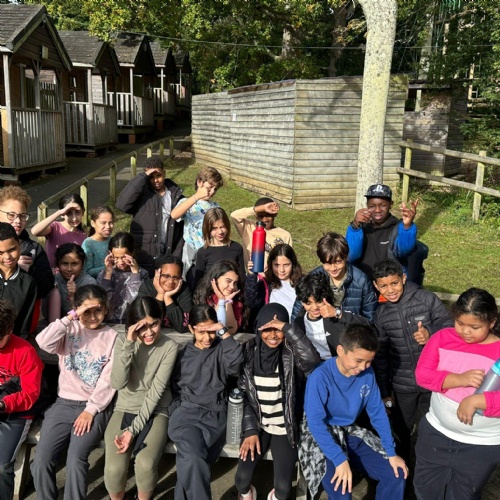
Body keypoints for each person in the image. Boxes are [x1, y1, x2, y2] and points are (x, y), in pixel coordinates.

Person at [302, 323, 408, 499]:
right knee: (342, 489)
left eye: (369, 361)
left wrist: (391, 452)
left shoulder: (367, 374)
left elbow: (378, 413)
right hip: (321, 437)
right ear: (340, 350)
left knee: (396, 474)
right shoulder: (320, 377)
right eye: (358, 360)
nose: (363, 367)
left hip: (351, 432)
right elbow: (315, 423)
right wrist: (339, 459)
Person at [32, 284, 118, 500]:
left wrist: (91, 410)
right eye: (86, 311)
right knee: (41, 460)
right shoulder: (69, 329)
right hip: (64, 403)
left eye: (98, 310)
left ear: (106, 309)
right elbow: (42, 342)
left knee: (75, 459)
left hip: (95, 407)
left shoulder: (112, 337)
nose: (92, 317)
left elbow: (109, 380)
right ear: (77, 309)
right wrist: (71, 317)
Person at [414, 288, 500, 499]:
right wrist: (458, 379)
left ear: (492, 322)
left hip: (481, 445)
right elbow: (422, 375)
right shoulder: (442, 338)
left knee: (463, 495)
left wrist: (479, 400)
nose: (465, 331)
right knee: (425, 490)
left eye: (475, 327)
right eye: (460, 323)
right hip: (436, 434)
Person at [234, 303, 321, 500]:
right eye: (267, 329)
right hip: (259, 425)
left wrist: (288, 329)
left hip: (285, 427)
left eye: (278, 329)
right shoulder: (249, 351)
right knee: (241, 480)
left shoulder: (291, 351)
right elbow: (245, 395)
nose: (273, 335)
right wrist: (250, 430)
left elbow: (313, 361)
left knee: (283, 489)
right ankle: (248, 494)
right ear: (259, 328)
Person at [371, 259, 453, 459]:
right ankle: (404, 469)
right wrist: (384, 392)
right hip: (402, 386)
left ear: (403, 278)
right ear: (376, 286)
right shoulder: (380, 315)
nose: (390, 290)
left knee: (434, 428)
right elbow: (381, 358)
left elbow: (450, 325)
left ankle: (433, 463)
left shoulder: (426, 298)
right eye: (384, 286)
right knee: (401, 431)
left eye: (394, 283)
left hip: (432, 381)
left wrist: (430, 332)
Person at [104, 296, 178, 500]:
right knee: (113, 469)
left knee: (145, 464)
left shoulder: (169, 346)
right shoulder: (123, 341)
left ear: (161, 319)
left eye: (154, 324)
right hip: (125, 406)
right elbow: (118, 383)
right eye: (142, 327)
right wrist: (129, 343)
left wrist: (132, 430)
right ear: (132, 325)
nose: (149, 332)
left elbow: (156, 392)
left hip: (156, 409)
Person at [168, 304, 244, 500]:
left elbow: (235, 365)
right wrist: (176, 409)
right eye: (201, 331)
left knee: (192, 462)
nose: (207, 337)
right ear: (191, 329)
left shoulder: (221, 350)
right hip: (186, 416)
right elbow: (173, 387)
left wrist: (223, 332)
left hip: (215, 417)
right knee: (194, 458)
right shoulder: (183, 354)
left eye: (211, 331)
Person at [0, 300, 44, 500]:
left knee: (2, 467)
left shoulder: (25, 352)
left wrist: (4, 404)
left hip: (16, 412)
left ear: (9, 330)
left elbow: (30, 394)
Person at [116, 157, 185, 276]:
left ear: (164, 173)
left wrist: (176, 255)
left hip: (167, 253)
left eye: (158, 175)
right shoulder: (141, 194)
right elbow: (122, 205)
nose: (155, 180)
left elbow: (180, 228)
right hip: (145, 255)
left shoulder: (175, 195)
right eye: (151, 177)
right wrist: (143, 177)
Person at [345, 184, 419, 281]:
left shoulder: (398, 227)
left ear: (391, 204)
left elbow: (403, 250)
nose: (377, 210)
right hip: (362, 281)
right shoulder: (360, 227)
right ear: (367, 205)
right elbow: (351, 256)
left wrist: (407, 226)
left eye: (383, 205)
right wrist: (355, 225)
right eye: (372, 206)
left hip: (388, 283)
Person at [293, 272, 369, 361]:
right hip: (313, 365)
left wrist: (338, 314)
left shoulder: (335, 314)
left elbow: (366, 325)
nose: (315, 307)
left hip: (337, 362)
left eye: (319, 301)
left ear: (325, 297)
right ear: (302, 302)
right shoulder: (299, 322)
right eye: (308, 303)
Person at [303, 232, 378, 322]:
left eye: (338, 262)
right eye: (328, 263)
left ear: (346, 257)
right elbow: (298, 311)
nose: (333, 268)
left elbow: (369, 320)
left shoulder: (362, 281)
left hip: (352, 329)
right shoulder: (313, 277)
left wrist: (339, 314)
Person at [170, 166, 224, 285]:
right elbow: (174, 215)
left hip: (210, 250)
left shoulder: (215, 207)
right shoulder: (187, 203)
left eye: (215, 189)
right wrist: (197, 196)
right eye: (209, 187)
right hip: (191, 249)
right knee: (187, 279)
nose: (212, 192)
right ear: (199, 182)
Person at [0, 186, 53, 299]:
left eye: (22, 216)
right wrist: (12, 267)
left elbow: (46, 288)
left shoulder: (34, 249)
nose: (18, 221)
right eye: (11, 215)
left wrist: (29, 270)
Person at [97, 232, 149, 324]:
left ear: (132, 253)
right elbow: (102, 300)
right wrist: (108, 274)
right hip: (107, 323)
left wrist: (135, 274)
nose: (120, 262)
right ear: (110, 254)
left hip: (132, 322)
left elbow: (135, 300)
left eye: (124, 257)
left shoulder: (142, 274)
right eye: (116, 258)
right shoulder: (103, 274)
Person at [245, 244, 302, 323]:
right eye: (277, 265)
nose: (281, 270)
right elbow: (250, 301)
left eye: (286, 265)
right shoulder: (266, 284)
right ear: (270, 264)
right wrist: (252, 275)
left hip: (293, 328)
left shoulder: (303, 284)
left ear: (293, 264)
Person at [231, 197, 292, 269]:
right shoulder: (248, 227)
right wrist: (261, 208)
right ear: (256, 215)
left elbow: (289, 259)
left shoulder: (285, 235)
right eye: (261, 216)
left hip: (275, 274)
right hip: (254, 273)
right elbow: (234, 215)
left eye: (268, 215)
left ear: (274, 214)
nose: (265, 219)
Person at [137, 254, 192, 333]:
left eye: (175, 277)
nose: (171, 281)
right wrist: (160, 294)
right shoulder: (146, 287)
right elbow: (146, 322)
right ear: (157, 273)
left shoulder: (184, 289)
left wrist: (168, 298)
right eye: (166, 276)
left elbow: (182, 327)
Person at [0, 223, 37, 337]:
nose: (7, 257)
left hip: (11, 342)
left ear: (19, 245)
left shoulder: (28, 282)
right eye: (0, 253)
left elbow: (24, 323)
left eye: (12, 249)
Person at [31, 193, 86, 269]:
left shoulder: (83, 236)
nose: (74, 218)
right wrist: (58, 213)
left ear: (83, 211)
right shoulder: (55, 227)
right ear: (63, 214)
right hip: (52, 275)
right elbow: (34, 231)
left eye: (77, 212)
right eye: (69, 213)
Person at [194, 207, 245, 289]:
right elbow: (198, 282)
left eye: (223, 227)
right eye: (214, 228)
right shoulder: (203, 252)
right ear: (207, 229)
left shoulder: (237, 248)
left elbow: (242, 277)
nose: (220, 232)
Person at [194, 260, 246, 334]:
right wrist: (221, 300)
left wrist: (227, 301)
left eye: (235, 283)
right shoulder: (205, 297)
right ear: (215, 280)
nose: (232, 287)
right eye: (228, 281)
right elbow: (210, 327)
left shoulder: (237, 301)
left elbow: (230, 329)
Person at [53, 243, 96, 317]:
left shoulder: (89, 283)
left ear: (82, 264)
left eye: (74, 264)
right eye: (64, 264)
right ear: (58, 264)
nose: (69, 269)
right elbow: (46, 312)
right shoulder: (53, 281)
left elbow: (87, 315)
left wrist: (72, 296)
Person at [82, 205, 115, 278]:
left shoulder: (114, 240)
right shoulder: (88, 244)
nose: (108, 226)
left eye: (110, 222)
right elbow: (87, 271)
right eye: (103, 223)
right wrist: (109, 267)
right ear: (93, 223)